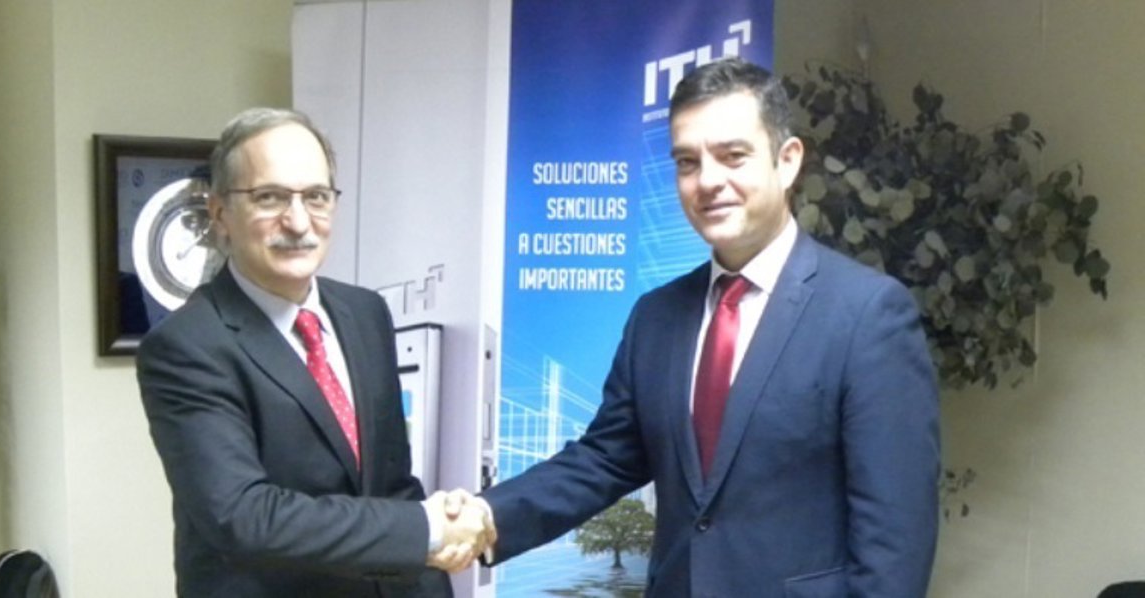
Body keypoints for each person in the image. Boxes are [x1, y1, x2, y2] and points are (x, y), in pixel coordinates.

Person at [461, 58, 941, 596]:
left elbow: (895, 546)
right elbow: (603, 459)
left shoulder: (868, 314)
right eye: (687, 163)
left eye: (733, 156)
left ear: (787, 161)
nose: (708, 181)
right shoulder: (655, 318)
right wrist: (484, 517)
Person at [137, 107, 489, 597]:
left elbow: (390, 485)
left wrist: (434, 559)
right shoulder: (187, 345)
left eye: (316, 197)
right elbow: (243, 516)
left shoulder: (365, 313)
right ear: (220, 214)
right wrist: (425, 530)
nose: (299, 221)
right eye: (270, 197)